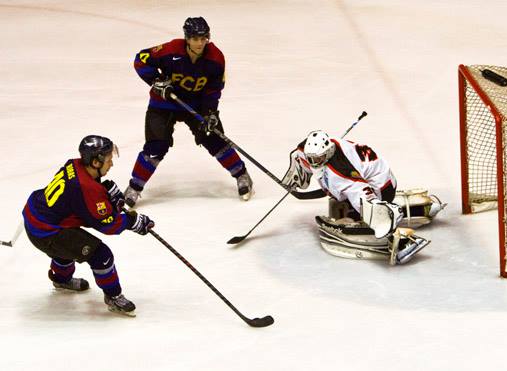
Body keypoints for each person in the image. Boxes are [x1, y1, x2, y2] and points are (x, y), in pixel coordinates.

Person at [124, 16, 253, 207]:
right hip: (164, 103)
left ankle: (242, 175)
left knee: (215, 140)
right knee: (156, 146)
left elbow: (214, 89)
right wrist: (156, 81)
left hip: (196, 105)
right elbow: (140, 60)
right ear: (187, 38)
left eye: (203, 38)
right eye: (195, 38)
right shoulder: (170, 50)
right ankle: (134, 187)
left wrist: (210, 112)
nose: (200, 43)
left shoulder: (216, 58)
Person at [22, 135, 155, 316]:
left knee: (68, 248)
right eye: (108, 160)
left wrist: (107, 197)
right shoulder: (86, 189)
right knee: (101, 255)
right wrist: (133, 222)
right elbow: (107, 224)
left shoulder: (74, 164)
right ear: (95, 162)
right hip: (46, 231)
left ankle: (61, 279)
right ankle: (113, 297)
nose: (111, 164)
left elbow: (82, 203)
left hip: (36, 217)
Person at [282, 130, 444, 265]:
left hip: (382, 189)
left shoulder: (340, 175)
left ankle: (401, 240)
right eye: (311, 159)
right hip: (382, 176)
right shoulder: (320, 149)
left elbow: (360, 193)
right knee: (338, 199)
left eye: (317, 159)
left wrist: (379, 214)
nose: (313, 162)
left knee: (349, 209)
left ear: (329, 152)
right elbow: (301, 152)